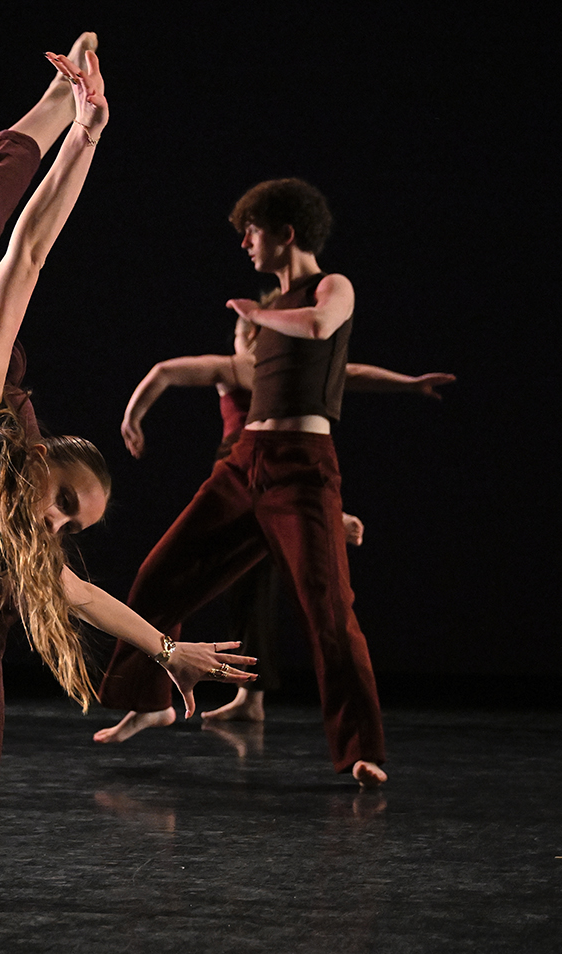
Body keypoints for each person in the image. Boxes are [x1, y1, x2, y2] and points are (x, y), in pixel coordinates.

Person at [0, 36, 254, 912]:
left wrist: (170, 649)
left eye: (75, 525)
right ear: (43, 460)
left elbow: (79, 594)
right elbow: (23, 255)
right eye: (67, 505)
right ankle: (55, 100)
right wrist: (85, 134)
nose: (60, 526)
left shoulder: (9, 539)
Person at [93, 177, 392, 791]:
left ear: (285, 233)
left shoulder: (329, 288)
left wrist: (260, 314)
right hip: (243, 460)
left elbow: (322, 329)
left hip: (302, 465)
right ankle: (150, 693)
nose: (244, 244)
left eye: (251, 232)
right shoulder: (267, 317)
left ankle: (361, 748)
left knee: (330, 613)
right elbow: (173, 371)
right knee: (159, 573)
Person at [119, 315, 454, 721]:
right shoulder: (284, 372)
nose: (240, 342)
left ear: (261, 337)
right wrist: (409, 384)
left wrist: (133, 418)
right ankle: (245, 698)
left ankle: (203, 699)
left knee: (232, 587)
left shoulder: (243, 366)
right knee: (249, 591)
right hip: (260, 477)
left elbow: (165, 371)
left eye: (244, 334)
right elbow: (164, 373)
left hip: (256, 477)